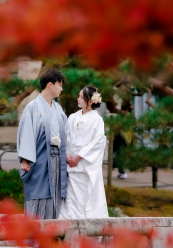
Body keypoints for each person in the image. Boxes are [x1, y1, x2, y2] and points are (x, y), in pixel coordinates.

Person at [17, 69, 68, 219]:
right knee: (38, 193)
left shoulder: (58, 109)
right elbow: (26, 133)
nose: (61, 89)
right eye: (60, 85)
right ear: (50, 85)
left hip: (57, 159)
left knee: (55, 195)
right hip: (39, 158)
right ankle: (34, 238)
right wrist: (25, 159)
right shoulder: (32, 107)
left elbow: (66, 132)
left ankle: (51, 237)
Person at [59, 85, 109, 219]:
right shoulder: (72, 117)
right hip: (71, 166)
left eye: (82, 97)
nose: (78, 99)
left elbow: (98, 142)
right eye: (79, 96)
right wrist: (66, 154)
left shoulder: (97, 119)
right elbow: (65, 138)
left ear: (91, 101)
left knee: (88, 201)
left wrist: (79, 157)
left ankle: (90, 233)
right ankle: (69, 234)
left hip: (86, 168)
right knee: (71, 201)